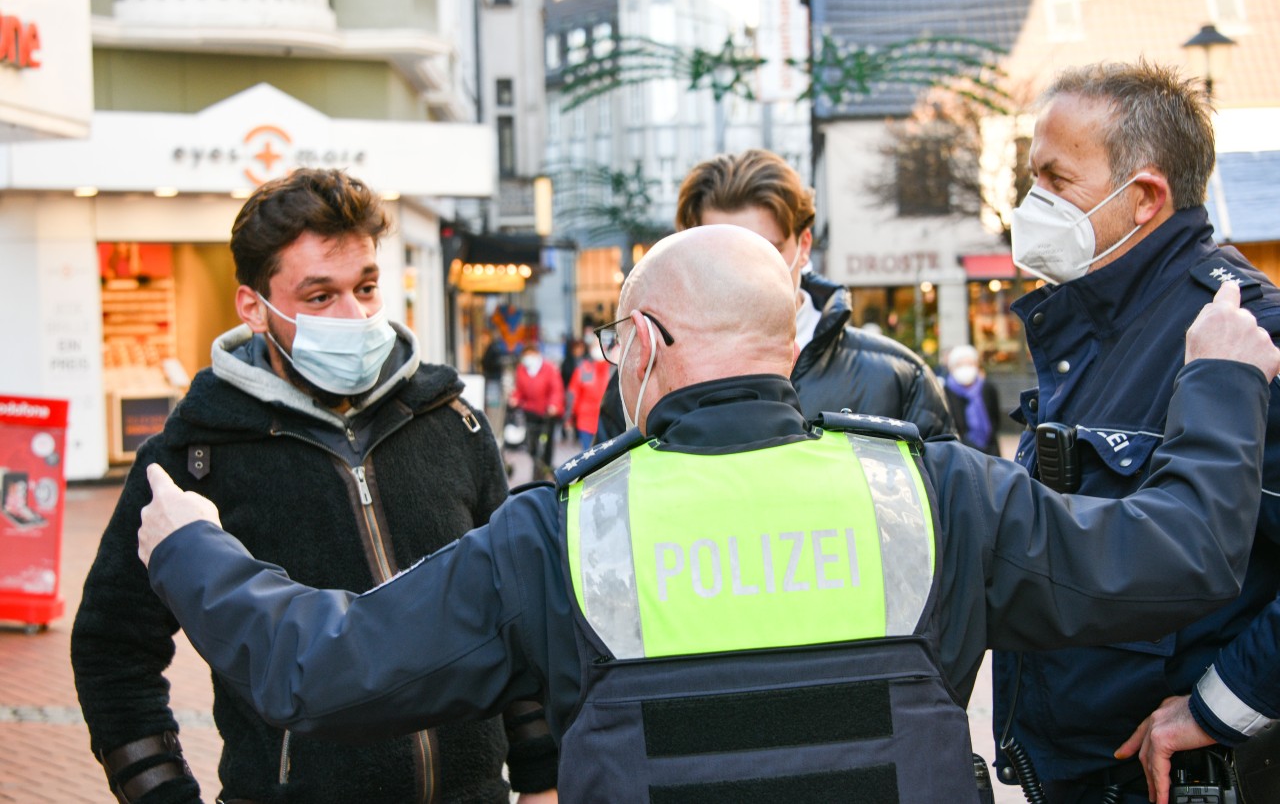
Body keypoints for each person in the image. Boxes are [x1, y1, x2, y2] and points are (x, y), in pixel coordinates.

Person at [137, 225, 1279, 804]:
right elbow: (1178, 557)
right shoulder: (932, 490)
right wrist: (1220, 383)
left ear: (640, 343)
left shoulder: (566, 529)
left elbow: (318, 668)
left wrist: (192, 548)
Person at [70, 169, 557, 804]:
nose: (354, 316)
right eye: (320, 296)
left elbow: (518, 618)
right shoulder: (194, 457)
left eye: (366, 287)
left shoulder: (453, 423)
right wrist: (161, 793)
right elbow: (111, 649)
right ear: (253, 306)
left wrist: (541, 777)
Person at [992, 60, 1280, 804]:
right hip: (1089, 774)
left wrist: (1224, 703)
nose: (1033, 202)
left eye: (1056, 179)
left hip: (1177, 779)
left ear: (1145, 196)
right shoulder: (1092, 329)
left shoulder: (1246, 329)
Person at [594, 148, 954, 444]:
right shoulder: (642, 373)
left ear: (804, 245)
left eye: (767, 250)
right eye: (719, 256)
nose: (743, 273)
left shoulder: (897, 378)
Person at [509, 344, 564, 479]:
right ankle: (537, 467)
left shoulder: (549, 368)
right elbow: (519, 390)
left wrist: (553, 405)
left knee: (545, 447)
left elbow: (556, 389)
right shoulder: (521, 369)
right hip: (530, 414)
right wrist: (515, 399)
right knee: (532, 446)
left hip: (547, 415)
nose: (528, 358)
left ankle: (544, 470)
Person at [942, 344, 1002, 456]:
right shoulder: (945, 392)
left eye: (970, 363)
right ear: (951, 367)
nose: (966, 368)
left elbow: (995, 418)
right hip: (961, 453)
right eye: (960, 364)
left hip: (990, 450)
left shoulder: (987, 388)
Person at [565, 332, 611, 453]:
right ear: (590, 349)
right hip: (586, 422)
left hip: (606, 422)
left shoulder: (612, 368)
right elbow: (572, 394)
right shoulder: (583, 369)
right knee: (589, 456)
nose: (599, 349)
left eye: (600, 345)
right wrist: (569, 417)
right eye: (595, 345)